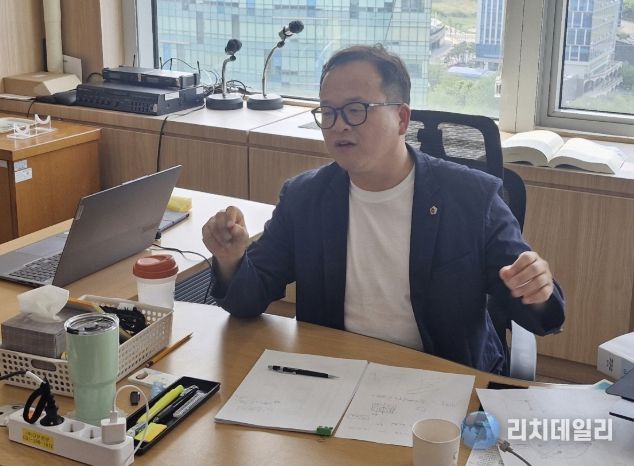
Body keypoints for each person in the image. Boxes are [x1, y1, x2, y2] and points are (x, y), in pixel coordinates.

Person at [202, 44, 564, 374]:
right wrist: (232, 260)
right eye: (328, 112)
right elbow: (248, 300)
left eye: (356, 110)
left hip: (440, 377)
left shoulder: (472, 198)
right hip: (334, 374)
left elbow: (540, 316)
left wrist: (537, 290)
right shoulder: (304, 198)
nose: (338, 125)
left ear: (402, 119)